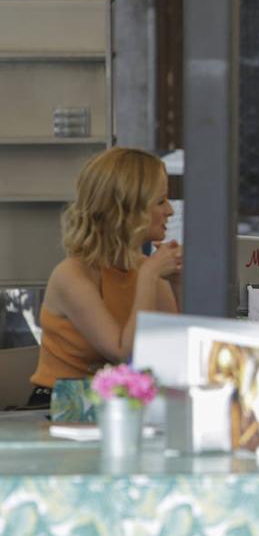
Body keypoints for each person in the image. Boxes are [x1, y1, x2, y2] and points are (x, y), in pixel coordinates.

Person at [28, 148, 182, 407]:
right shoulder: (71, 275)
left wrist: (178, 282)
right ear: (127, 210)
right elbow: (123, 353)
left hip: (123, 403)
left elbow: (175, 351)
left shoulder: (148, 269)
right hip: (62, 406)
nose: (170, 211)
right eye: (160, 201)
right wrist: (149, 275)